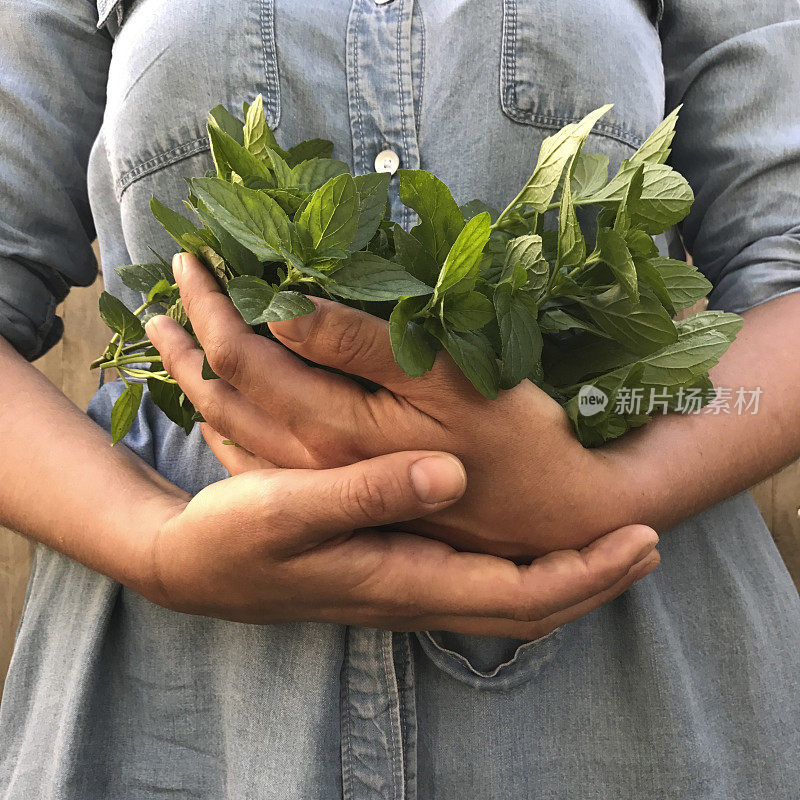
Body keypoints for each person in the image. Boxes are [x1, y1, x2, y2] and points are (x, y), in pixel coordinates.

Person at [0, 0, 798, 798]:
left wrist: (620, 488)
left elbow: (787, 269)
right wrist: (155, 545)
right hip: (181, 694)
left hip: (624, 664)